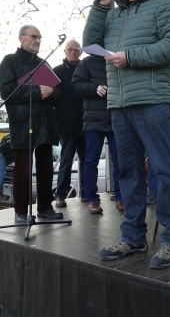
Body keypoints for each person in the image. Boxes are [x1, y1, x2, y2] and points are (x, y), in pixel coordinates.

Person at [85, 0, 170, 269]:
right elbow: (90, 43)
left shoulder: (164, 4)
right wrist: (100, 5)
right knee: (127, 172)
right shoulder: (114, 12)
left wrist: (130, 57)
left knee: (164, 170)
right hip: (120, 103)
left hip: (154, 100)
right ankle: (133, 237)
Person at [0, 25, 63, 223]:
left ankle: (45, 207)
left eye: (39, 37)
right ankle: (20, 212)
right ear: (21, 38)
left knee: (46, 169)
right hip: (23, 123)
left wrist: (52, 92)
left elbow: (58, 90)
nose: (37, 40)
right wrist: (37, 92)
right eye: (34, 36)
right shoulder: (9, 61)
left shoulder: (43, 63)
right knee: (23, 169)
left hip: (45, 123)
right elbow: (7, 91)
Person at [71, 50, 123, 214]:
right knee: (91, 160)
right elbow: (76, 84)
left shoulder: (118, 59)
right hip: (94, 120)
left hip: (116, 117)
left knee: (120, 160)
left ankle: (120, 196)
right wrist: (95, 88)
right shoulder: (87, 62)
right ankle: (91, 198)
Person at [52, 40, 86, 207]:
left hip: (86, 123)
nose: (73, 52)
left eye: (76, 49)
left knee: (87, 161)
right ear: (65, 51)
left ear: (81, 52)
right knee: (66, 161)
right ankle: (60, 195)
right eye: (70, 49)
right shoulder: (57, 71)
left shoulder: (86, 68)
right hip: (66, 124)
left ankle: (87, 193)